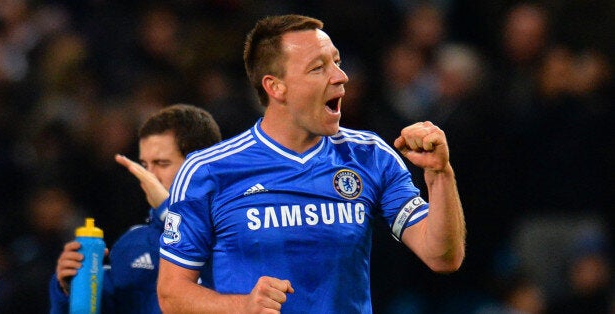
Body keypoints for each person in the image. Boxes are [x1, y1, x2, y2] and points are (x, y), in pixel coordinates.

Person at [157, 14, 466, 313]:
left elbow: (442, 257)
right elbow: (172, 294)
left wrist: (440, 175)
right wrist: (241, 306)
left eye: (337, 62)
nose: (341, 77)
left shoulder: (370, 156)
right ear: (276, 87)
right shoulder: (209, 171)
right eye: (319, 67)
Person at [48, 104, 222, 313]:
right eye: (145, 165)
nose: (149, 177)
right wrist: (68, 290)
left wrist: (168, 211)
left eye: (162, 163)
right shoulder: (134, 244)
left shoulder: (243, 232)